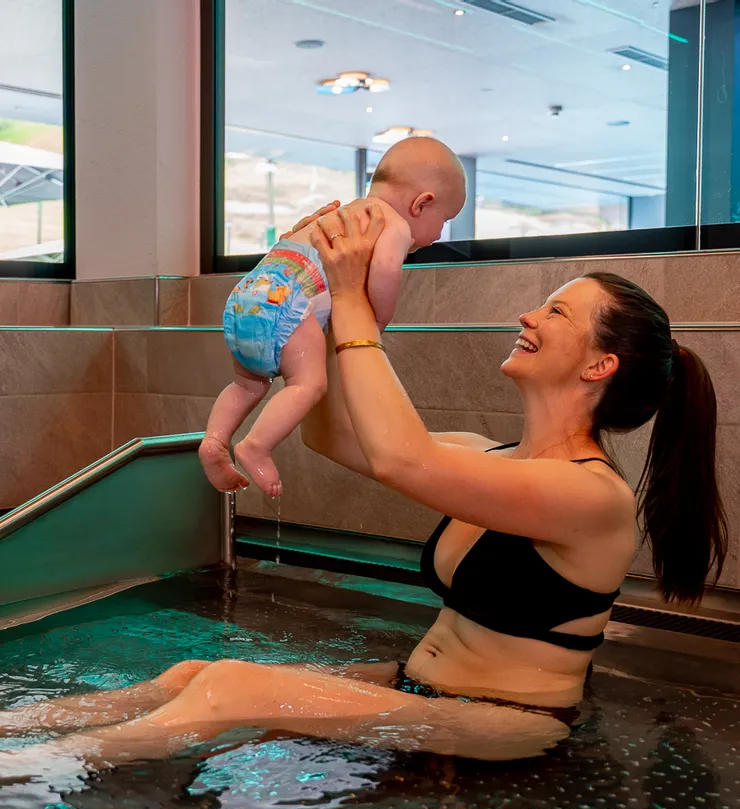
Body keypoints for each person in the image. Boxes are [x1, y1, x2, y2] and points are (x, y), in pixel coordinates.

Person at [0, 205, 727, 776]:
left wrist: (353, 298)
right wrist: (313, 301)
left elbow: (403, 459)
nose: (528, 316)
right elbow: (340, 438)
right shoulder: (487, 456)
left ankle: (26, 774)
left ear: (600, 365)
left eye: (557, 312)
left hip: (507, 719)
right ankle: (11, 730)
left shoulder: (590, 497)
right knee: (199, 671)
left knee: (230, 692)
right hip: (417, 685)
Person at [198, 137, 466, 497]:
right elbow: (386, 271)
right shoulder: (392, 224)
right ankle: (257, 445)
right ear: (421, 203)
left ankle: (215, 440)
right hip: (288, 305)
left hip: (247, 296)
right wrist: (378, 320)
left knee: (247, 385)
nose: (439, 235)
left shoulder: (334, 215)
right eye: (445, 220)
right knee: (307, 385)